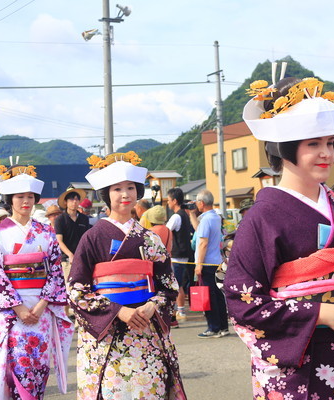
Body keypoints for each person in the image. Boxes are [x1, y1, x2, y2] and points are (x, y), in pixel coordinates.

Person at [225, 77, 334, 399]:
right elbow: (243, 301)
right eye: (313, 144)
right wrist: (322, 313)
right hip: (304, 361)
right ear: (284, 148)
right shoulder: (263, 216)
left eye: (330, 142)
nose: (326, 153)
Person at [68, 151, 186, 399]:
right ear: (106, 195)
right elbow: (77, 289)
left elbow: (168, 286)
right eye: (117, 189)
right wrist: (118, 311)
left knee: (147, 390)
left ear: (138, 192)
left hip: (144, 327)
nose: (125, 194)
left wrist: (153, 306)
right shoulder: (91, 238)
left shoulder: (150, 238)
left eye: (130, 188)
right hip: (109, 331)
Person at [0, 164, 73, 398]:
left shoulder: (46, 232)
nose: (25, 201)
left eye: (30, 196)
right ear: (9, 200)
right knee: (16, 364)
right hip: (13, 312)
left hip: (40, 310)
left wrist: (41, 304)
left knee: (39, 365)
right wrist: (19, 308)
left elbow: (55, 271)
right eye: (19, 196)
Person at [194, 189, 228, 338]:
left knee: (209, 296)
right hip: (218, 262)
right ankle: (223, 326)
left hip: (207, 263)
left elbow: (203, 243)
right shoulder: (216, 217)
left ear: (201, 203)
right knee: (219, 296)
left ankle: (213, 327)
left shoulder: (206, 220)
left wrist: (198, 264)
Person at [166, 187, 195, 323]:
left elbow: (166, 232)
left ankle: (180, 311)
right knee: (180, 284)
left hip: (177, 255)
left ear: (175, 201)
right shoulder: (185, 214)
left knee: (176, 284)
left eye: (169, 200)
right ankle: (180, 310)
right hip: (185, 254)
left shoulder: (176, 216)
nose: (168, 203)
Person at [54, 188, 91, 284]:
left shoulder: (84, 218)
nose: (74, 202)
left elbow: (86, 239)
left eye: (76, 199)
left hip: (83, 258)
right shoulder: (60, 219)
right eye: (71, 199)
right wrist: (71, 255)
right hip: (67, 260)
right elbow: (59, 241)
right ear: (65, 202)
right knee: (70, 286)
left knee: (84, 286)